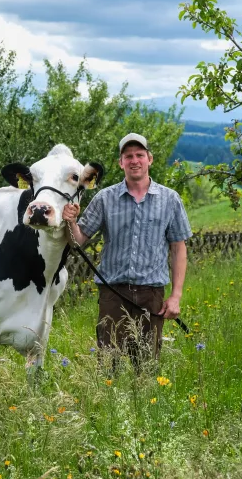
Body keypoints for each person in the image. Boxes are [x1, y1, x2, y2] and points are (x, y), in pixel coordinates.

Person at [63, 132, 192, 367]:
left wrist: (175, 296)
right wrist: (71, 221)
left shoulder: (170, 199)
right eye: (128, 156)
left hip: (151, 295)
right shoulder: (104, 198)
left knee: (146, 366)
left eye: (140, 155)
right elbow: (78, 241)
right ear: (120, 162)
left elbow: (178, 248)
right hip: (113, 293)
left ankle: (144, 403)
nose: (135, 160)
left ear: (150, 159)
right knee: (109, 365)